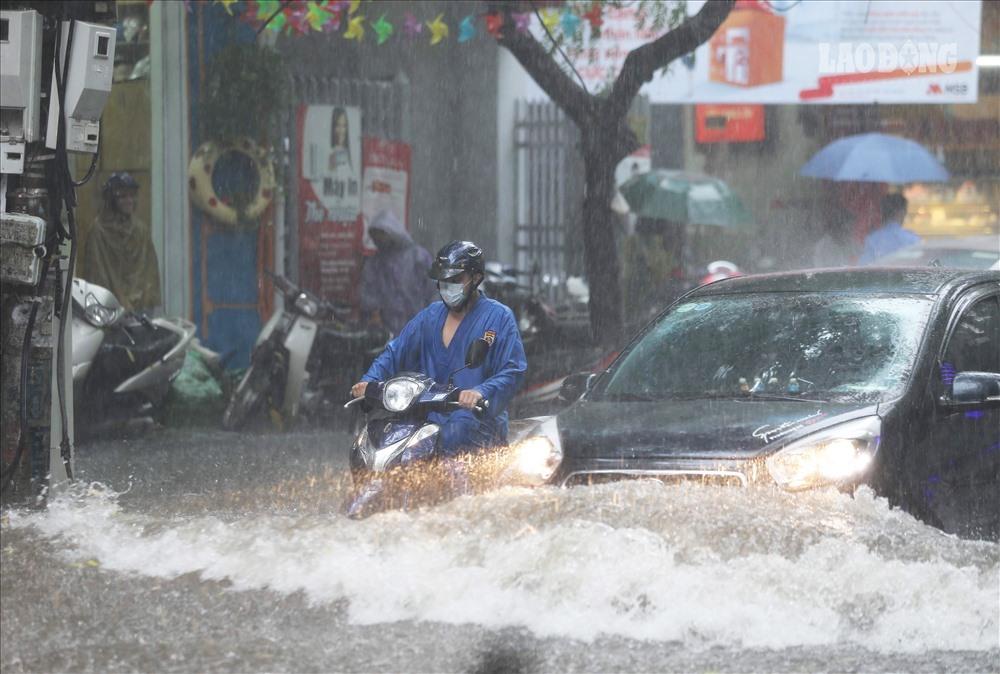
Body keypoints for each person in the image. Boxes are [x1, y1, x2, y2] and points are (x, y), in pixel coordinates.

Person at [351, 240, 527, 456]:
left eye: (455, 280)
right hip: (426, 417)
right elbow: (396, 352)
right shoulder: (430, 316)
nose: (447, 287)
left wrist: (480, 392)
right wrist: (369, 381)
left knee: (456, 431)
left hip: (476, 423)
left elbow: (513, 370)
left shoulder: (499, 317)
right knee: (381, 435)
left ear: (476, 278)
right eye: (443, 281)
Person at [79, 172, 161, 313]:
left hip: (139, 310)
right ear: (111, 200)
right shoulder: (99, 231)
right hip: (109, 310)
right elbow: (97, 275)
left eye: (132, 195)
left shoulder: (141, 231)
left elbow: (150, 272)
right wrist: (119, 301)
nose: (129, 200)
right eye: (122, 196)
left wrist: (145, 299)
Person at [358, 211, 436, 335]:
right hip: (388, 332)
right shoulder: (375, 263)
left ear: (392, 232)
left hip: (419, 327)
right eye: (374, 237)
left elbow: (433, 289)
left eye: (381, 235)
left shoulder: (418, 257)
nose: (378, 240)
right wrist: (375, 315)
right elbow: (369, 295)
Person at [858, 193, 920, 265]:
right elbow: (919, 265)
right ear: (901, 213)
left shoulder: (873, 239)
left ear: (883, 212)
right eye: (905, 211)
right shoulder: (912, 239)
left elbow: (864, 266)